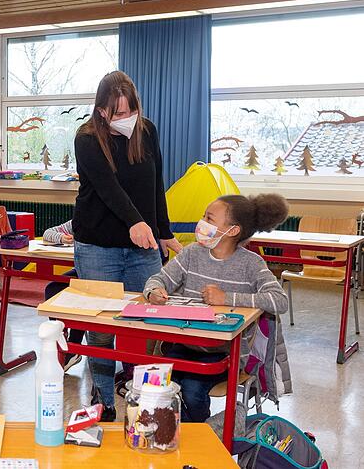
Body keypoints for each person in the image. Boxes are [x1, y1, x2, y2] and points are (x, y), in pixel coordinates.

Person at [72, 70, 182, 421]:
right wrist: (136, 222)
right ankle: (103, 399)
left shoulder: (146, 131)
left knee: (148, 324)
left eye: (129, 110)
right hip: (98, 246)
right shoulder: (86, 138)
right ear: (102, 110)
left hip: (143, 248)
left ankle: (147, 397)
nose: (125, 119)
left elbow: (156, 183)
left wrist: (162, 230)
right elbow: (108, 189)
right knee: (102, 329)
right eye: (116, 113)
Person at [143, 194, 289, 422]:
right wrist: (154, 292)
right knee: (152, 385)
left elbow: (279, 300)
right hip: (184, 344)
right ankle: (168, 433)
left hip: (224, 352)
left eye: (209, 218)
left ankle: (200, 438)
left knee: (191, 390)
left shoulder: (251, 264)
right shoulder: (192, 253)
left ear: (232, 231)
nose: (201, 223)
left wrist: (227, 298)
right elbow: (158, 279)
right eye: (204, 216)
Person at [41, 220, 81, 370]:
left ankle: (74, 346)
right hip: (81, 269)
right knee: (52, 290)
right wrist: (62, 238)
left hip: (99, 274)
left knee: (80, 295)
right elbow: (47, 233)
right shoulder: (77, 221)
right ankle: (59, 338)